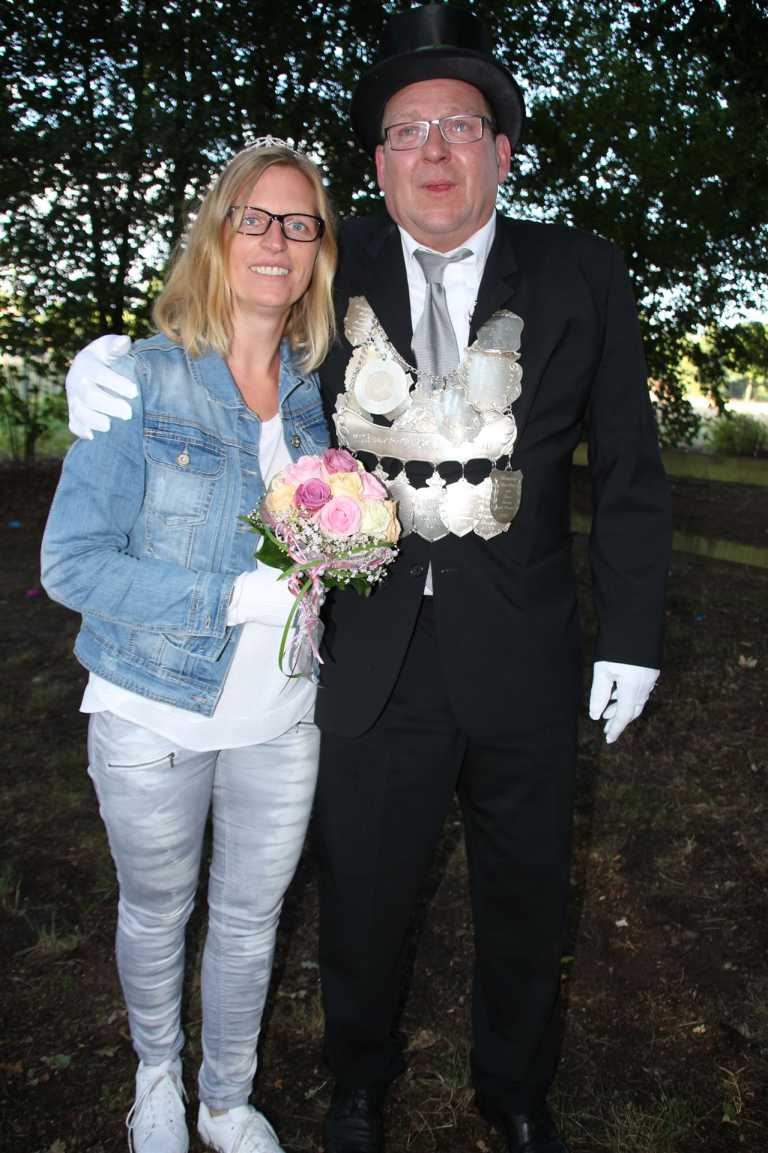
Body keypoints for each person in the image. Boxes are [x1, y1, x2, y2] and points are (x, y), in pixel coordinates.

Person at [63, 7, 673, 1152]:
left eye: (460, 126)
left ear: (501, 151)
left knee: (528, 887)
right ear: (379, 166)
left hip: (526, 643)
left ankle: (516, 1090)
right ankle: (358, 1081)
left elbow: (632, 471)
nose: (434, 151)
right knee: (366, 889)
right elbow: (227, 326)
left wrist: (632, 635)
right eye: (406, 132)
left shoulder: (581, 271)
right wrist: (108, 357)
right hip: (371, 648)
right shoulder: (333, 264)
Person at [41, 140, 337, 1153]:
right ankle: (157, 1077)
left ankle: (225, 1099)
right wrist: (231, 598)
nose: (276, 240)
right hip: (153, 707)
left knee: (252, 922)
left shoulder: (313, 397)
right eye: (255, 216)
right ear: (216, 235)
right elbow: (70, 565)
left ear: (318, 252)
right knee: (157, 911)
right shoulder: (141, 380)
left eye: (299, 223)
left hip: (282, 715)